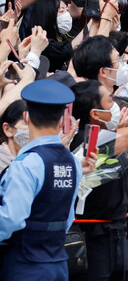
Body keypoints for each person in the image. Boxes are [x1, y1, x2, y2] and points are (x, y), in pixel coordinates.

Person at [0, 79, 81, 280]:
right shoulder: (72, 161)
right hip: (58, 262)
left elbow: (12, 219)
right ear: (63, 119)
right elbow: (68, 217)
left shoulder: (26, 163)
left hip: (24, 264)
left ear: (27, 117)